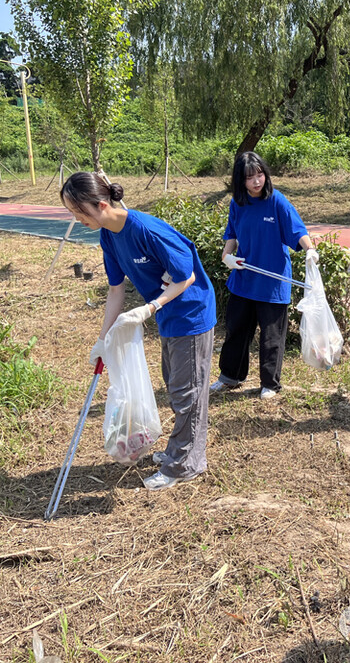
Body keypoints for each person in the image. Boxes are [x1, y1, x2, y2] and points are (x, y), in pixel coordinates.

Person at [61, 172, 216, 491]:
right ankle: (182, 450)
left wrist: (149, 308)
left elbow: (185, 275)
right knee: (176, 385)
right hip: (168, 315)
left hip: (191, 312)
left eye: (80, 213)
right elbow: (116, 290)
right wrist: (102, 339)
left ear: (101, 204)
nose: (77, 220)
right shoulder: (108, 234)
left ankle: (185, 463)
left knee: (189, 391)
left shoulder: (145, 229)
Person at [211, 151, 317, 399]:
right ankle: (230, 377)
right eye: (250, 178)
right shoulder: (237, 204)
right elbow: (231, 234)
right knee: (236, 330)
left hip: (273, 281)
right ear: (241, 181)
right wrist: (227, 256)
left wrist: (310, 249)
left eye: (260, 175)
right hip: (244, 278)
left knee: (271, 336)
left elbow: (297, 230)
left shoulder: (277, 201)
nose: (257, 181)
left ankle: (270, 383)